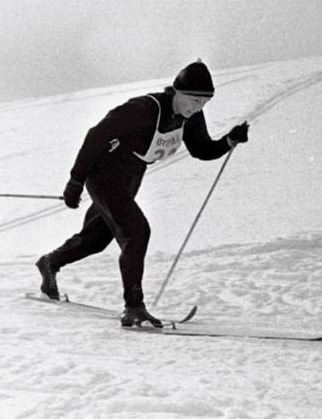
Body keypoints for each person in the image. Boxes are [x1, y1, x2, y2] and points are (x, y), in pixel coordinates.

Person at [35, 60, 249, 327]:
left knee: (97, 239)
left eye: (203, 103)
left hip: (129, 179)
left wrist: (229, 141)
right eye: (193, 100)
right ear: (177, 92)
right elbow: (96, 136)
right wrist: (75, 181)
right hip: (103, 176)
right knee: (137, 231)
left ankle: (49, 263)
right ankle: (134, 307)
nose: (197, 108)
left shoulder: (190, 118)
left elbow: (202, 149)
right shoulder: (144, 109)